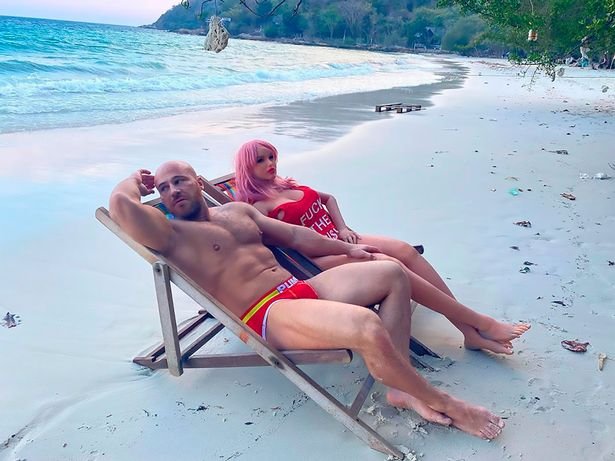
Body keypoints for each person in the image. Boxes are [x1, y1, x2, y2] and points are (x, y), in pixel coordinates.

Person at [110, 160, 506, 439]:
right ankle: (445, 402)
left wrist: (348, 249)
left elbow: (296, 237)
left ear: (197, 182)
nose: (172, 191)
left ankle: (402, 387)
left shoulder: (237, 211)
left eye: (179, 181)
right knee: (365, 324)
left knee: (391, 272)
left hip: (301, 289)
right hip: (267, 313)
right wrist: (132, 182)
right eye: (163, 188)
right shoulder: (171, 236)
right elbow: (121, 209)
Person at [234, 139, 530, 355]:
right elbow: (287, 247)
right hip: (319, 257)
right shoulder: (259, 207)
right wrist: (340, 246)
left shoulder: (285, 185)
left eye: (271, 156)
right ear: (247, 167)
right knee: (390, 263)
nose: (270, 164)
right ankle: (478, 322)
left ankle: (468, 332)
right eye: (260, 160)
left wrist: (343, 227)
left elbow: (328, 199)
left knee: (405, 250)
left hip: (340, 237)